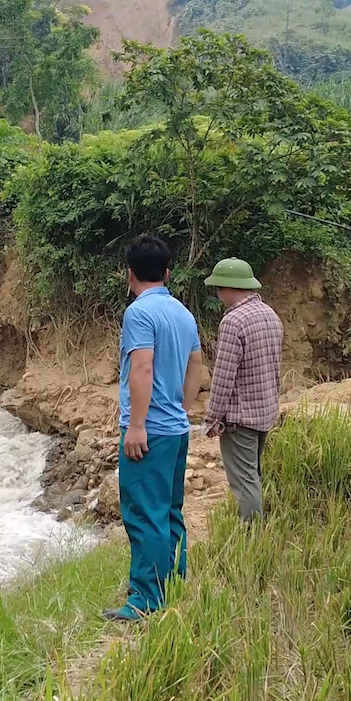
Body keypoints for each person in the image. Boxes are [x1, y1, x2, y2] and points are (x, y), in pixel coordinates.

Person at [103, 235, 205, 623]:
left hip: (150, 432)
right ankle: (173, 582)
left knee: (143, 514)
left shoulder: (139, 314)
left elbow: (141, 368)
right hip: (177, 430)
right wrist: (182, 405)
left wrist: (138, 426)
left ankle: (146, 598)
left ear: (130, 275)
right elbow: (196, 364)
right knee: (170, 512)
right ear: (167, 272)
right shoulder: (182, 312)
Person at [202, 258, 283, 522]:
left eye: (218, 288)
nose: (217, 294)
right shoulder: (270, 315)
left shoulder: (233, 322)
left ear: (227, 287)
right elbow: (275, 367)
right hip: (264, 412)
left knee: (245, 481)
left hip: (240, 418)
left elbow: (223, 377)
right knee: (254, 474)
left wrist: (212, 418)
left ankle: (252, 537)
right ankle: (255, 527)